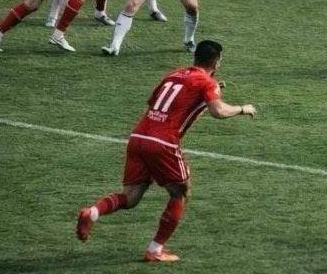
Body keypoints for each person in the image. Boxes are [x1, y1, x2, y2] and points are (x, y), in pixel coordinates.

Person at [74, 40, 257, 263]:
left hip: (138, 137)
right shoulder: (207, 83)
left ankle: (92, 212)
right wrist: (242, 109)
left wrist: (201, 95)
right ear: (217, 62)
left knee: (131, 198)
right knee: (181, 193)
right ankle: (155, 249)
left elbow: (155, 102)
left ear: (195, 57)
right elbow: (218, 111)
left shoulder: (175, 74)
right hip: (163, 143)